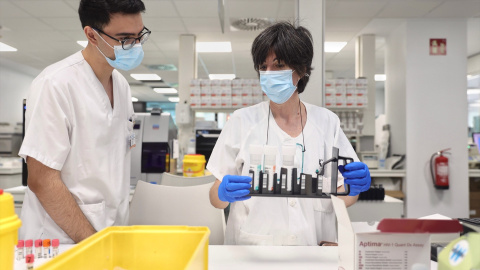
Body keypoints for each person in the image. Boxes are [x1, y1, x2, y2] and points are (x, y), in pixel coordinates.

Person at [207, 22, 371, 245]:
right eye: (263, 67)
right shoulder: (241, 121)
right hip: (252, 251)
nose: (269, 74)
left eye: (279, 65)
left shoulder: (327, 122)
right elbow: (215, 198)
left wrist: (354, 187)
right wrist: (223, 193)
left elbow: (344, 196)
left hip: (313, 247)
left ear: (302, 70)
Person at [18, 0, 150, 243]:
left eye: (139, 35)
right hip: (61, 240)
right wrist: (93, 243)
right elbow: (42, 179)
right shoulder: (55, 84)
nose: (135, 45)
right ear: (91, 35)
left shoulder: (121, 85)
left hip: (109, 232)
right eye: (124, 38)